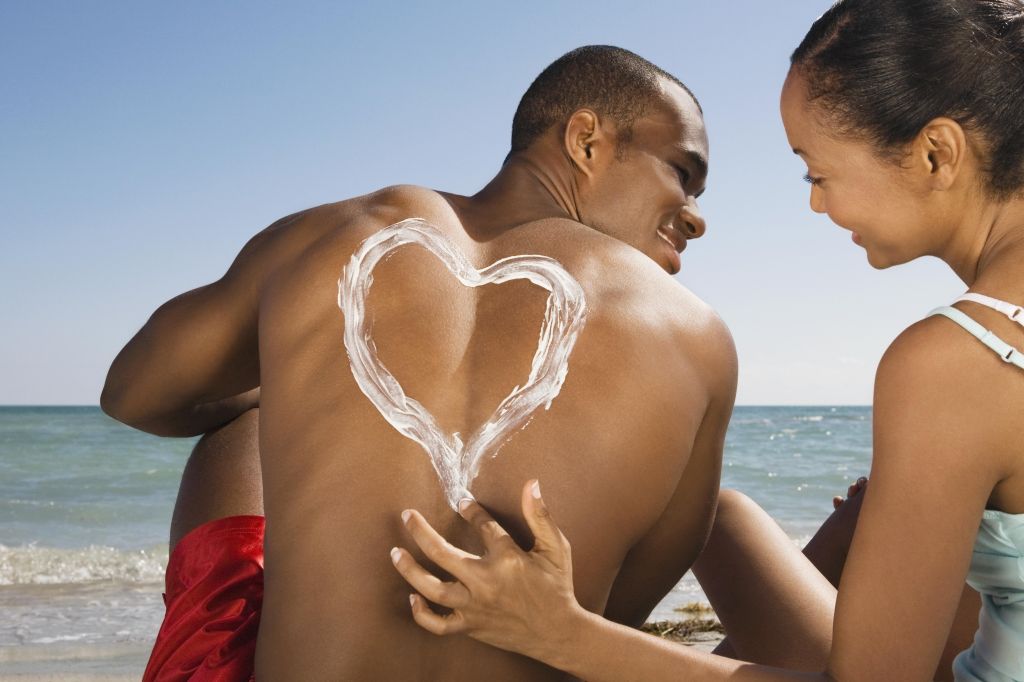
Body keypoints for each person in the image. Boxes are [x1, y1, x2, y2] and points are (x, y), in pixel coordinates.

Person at [390, 1, 1024, 680]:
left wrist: (560, 632)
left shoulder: (955, 362)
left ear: (936, 153)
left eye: (817, 172)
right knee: (734, 515)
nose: (815, 203)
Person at [101, 45, 737, 681]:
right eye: (682, 172)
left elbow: (134, 394)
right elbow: (611, 624)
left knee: (245, 419)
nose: (698, 217)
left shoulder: (336, 233)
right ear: (586, 140)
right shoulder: (695, 337)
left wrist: (279, 392)